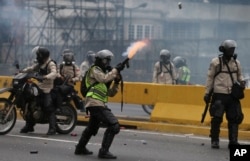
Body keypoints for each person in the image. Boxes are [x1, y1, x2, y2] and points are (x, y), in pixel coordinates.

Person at [74, 49, 124, 159]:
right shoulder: (94, 70)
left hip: (98, 103)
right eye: (107, 61)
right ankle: (103, 151)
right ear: (101, 60)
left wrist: (116, 82)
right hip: (94, 103)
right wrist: (115, 70)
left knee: (92, 128)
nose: (108, 63)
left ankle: (80, 147)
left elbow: (110, 93)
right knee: (114, 125)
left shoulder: (102, 79)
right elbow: (104, 78)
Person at [204, 39, 245, 149]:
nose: (232, 51)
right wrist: (207, 93)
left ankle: (233, 141)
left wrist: (242, 82)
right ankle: (215, 140)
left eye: (233, 49)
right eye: (230, 49)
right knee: (217, 118)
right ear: (224, 50)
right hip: (219, 95)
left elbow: (240, 76)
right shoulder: (215, 62)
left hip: (233, 95)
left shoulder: (236, 63)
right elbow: (210, 78)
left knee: (234, 119)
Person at [20, 46, 58, 135]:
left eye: (38, 56)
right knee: (30, 104)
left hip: (47, 88)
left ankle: (53, 128)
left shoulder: (50, 63)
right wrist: (22, 71)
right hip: (39, 86)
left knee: (48, 106)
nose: (37, 57)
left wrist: (45, 76)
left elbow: (54, 73)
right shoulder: (41, 63)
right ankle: (29, 126)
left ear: (43, 56)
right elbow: (32, 68)